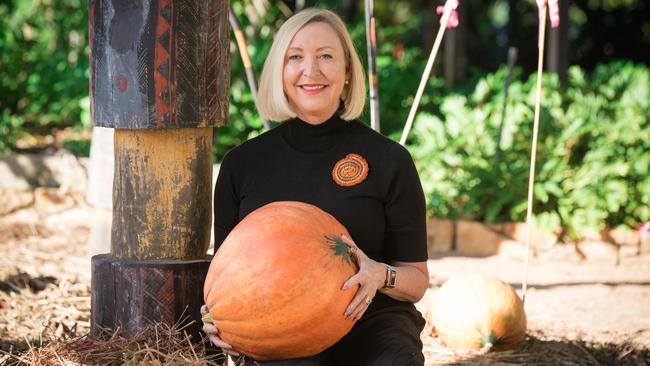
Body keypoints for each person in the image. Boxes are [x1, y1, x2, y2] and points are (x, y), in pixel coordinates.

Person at [201, 8, 429, 366]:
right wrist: (220, 316)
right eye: (296, 57)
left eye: (326, 56)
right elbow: (229, 272)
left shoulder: (390, 160)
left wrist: (378, 274)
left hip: (373, 319)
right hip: (281, 327)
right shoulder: (242, 165)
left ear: (348, 71)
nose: (312, 70)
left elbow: (416, 280)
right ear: (280, 70)